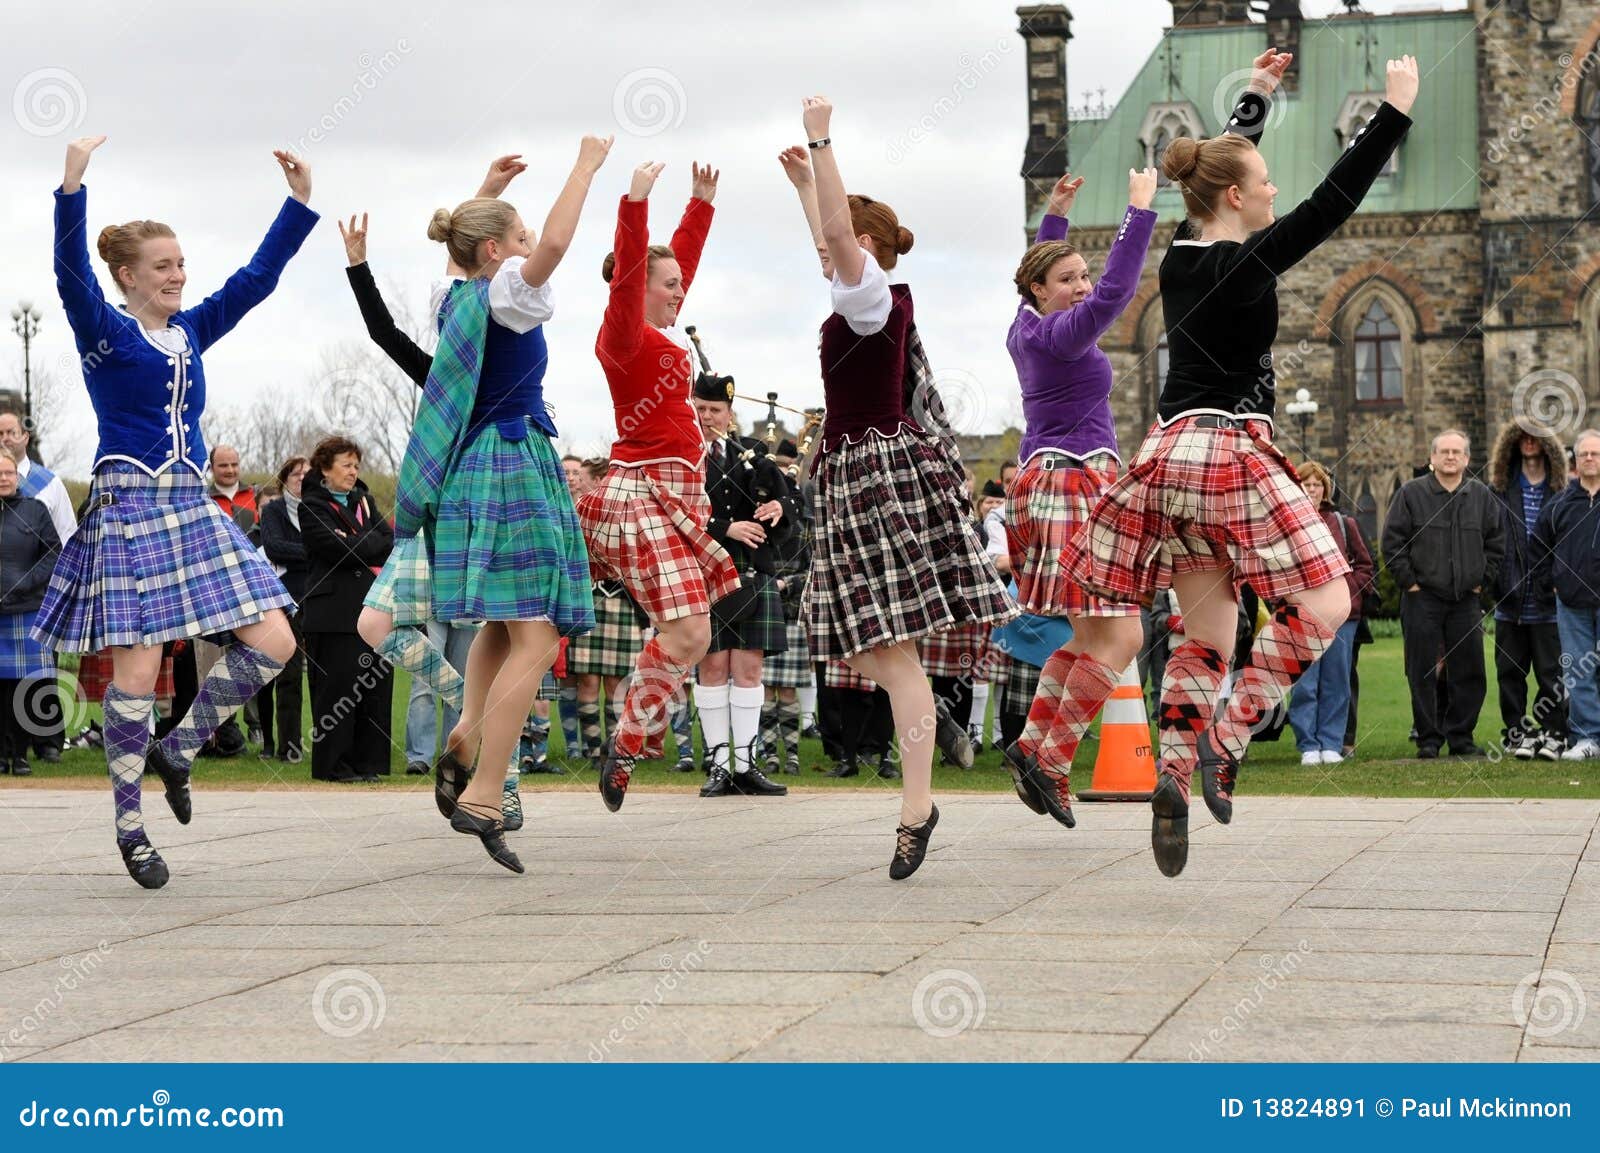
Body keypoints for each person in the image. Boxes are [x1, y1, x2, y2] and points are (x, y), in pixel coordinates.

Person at [1066, 52, 1417, 877]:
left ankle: (1176, 777)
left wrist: (1254, 97)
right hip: (1227, 447)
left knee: (1206, 634)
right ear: (1235, 197)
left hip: (1168, 457)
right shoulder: (1245, 260)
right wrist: (1394, 113)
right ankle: (1228, 737)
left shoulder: (1184, 256)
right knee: (1328, 600)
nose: (1269, 192)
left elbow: (1215, 169)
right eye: (1260, 182)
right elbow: (1334, 203)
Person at [37, 134, 312, 888]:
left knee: (276, 641)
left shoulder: (190, 333)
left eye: (182, 264)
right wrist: (71, 188)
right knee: (141, 665)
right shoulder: (106, 330)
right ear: (128, 275)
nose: (178, 276)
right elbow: (67, 275)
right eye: (163, 266)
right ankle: (130, 823)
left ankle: (180, 747)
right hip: (130, 508)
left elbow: (253, 282)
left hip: (192, 511)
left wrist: (297, 206)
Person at [782, 98, 1016, 879]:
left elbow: (842, 240)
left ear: (869, 247)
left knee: (894, 655)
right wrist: (804, 187)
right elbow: (835, 236)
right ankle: (935, 735)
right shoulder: (859, 293)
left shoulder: (870, 293)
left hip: (874, 474)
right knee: (874, 650)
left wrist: (821, 142)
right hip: (859, 475)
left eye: (835, 238)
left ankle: (917, 803)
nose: (823, 248)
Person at [396, 136, 611, 871]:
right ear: (496, 252)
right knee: (542, 636)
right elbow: (553, 240)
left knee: (501, 623)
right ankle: (487, 790)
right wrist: (585, 167)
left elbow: (464, 249)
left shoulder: (454, 296)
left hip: (471, 469)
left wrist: (484, 187)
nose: (529, 249)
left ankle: (465, 729)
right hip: (513, 459)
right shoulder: (508, 295)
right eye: (513, 239)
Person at [1000, 162, 1157, 827]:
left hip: (1053, 482)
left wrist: (1056, 215)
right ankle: (1052, 757)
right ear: (1038, 289)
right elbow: (1118, 290)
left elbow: (1050, 271)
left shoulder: (1025, 322)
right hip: (1074, 483)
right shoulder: (1061, 335)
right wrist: (1138, 212)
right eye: (1067, 279)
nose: (1082, 285)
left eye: (1083, 273)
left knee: (1094, 635)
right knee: (1123, 639)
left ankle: (1033, 745)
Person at [577, 158, 732, 813]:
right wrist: (635, 200)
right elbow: (640, 266)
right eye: (668, 285)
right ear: (640, 283)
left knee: (692, 637)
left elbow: (676, 266)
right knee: (689, 630)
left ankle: (625, 743)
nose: (680, 293)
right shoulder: (623, 337)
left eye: (681, 285)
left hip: (677, 497)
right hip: (639, 496)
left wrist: (699, 205)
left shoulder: (660, 333)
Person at [691, 373, 795, 797]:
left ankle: (744, 765)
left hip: (752, 571)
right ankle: (718, 766)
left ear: (730, 414)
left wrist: (777, 506)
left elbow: (791, 503)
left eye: (715, 410)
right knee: (713, 666)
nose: (707, 417)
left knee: (748, 668)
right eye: (700, 409)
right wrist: (725, 528)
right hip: (705, 571)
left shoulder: (752, 454)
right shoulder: (679, 455)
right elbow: (670, 513)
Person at [1382, 430, 1503, 759]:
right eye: (1444, 452)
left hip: (1465, 599)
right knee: (1421, 669)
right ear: (1432, 458)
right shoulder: (1411, 494)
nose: (1450, 457)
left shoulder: (1481, 496)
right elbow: (1393, 544)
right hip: (1422, 599)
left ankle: (1461, 737)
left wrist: (1481, 582)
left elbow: (1496, 544)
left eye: (1457, 452)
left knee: (1470, 669)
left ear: (1466, 459)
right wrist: (1411, 584)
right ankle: (1429, 739)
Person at [298, 436, 395, 782]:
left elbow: (389, 542)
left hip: (372, 610)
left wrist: (356, 540)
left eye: (356, 466)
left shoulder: (364, 501)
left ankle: (368, 764)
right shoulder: (310, 506)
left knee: (374, 688)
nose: (353, 472)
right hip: (332, 614)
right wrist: (364, 542)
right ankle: (334, 765)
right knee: (337, 690)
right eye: (345, 465)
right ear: (325, 468)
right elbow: (341, 551)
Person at [1285, 462, 1372, 766]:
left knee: (1337, 680)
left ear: (1325, 490)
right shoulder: (1285, 527)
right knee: (1305, 683)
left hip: (1342, 617)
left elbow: (1365, 566)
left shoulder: (1343, 524)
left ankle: (1331, 743)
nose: (1312, 490)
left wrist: (1347, 593)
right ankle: (1308, 743)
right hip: (1302, 615)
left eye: (1317, 485)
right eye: (1306, 484)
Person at [1488, 425, 1567, 760]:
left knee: (1552, 674)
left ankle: (1554, 733)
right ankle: (1517, 734)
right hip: (1510, 601)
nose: (1530, 442)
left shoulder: (1562, 493)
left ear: (1548, 447)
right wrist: (1495, 585)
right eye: (1523, 437)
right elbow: (1488, 542)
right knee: (1510, 674)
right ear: (1514, 445)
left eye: (1537, 437)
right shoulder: (1499, 492)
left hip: (1549, 604)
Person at [0, 410, 74, 763]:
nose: (5, 438)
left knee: (40, 674)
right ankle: (11, 748)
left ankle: (47, 741)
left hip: (42, 593)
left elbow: (66, 539)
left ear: (24, 437)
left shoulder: (48, 483)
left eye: (10, 432)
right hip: (5, 596)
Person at [1532, 429, 1600, 761]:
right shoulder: (1558, 505)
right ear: (1576, 460)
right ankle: (1586, 739)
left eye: (1596, 454)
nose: (1589, 458)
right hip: (1571, 604)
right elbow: (1538, 551)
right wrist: (1553, 583)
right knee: (1578, 671)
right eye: (1584, 454)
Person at [760, 436, 813, 776]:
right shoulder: (760, 517)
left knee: (788, 690)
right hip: (764, 612)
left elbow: (814, 570)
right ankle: (768, 754)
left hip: (792, 614)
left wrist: (787, 585)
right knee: (764, 690)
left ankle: (791, 754)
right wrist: (767, 586)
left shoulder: (805, 525)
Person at [257, 455, 310, 763]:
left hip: (317, 597)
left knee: (320, 676)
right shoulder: (274, 510)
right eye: (296, 474)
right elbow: (275, 547)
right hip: (284, 600)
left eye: (307, 474)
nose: (301, 478)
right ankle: (287, 745)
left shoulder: (319, 509)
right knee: (287, 675)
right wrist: (315, 551)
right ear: (284, 478)